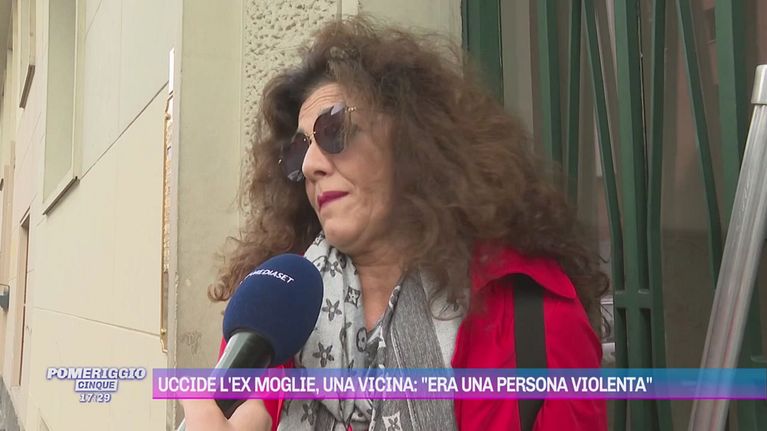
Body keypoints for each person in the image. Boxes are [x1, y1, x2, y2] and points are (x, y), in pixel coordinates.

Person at [181, 16, 608, 431]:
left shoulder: (535, 318)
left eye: (334, 129)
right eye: (298, 150)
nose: (311, 164)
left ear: (412, 139)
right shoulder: (271, 317)